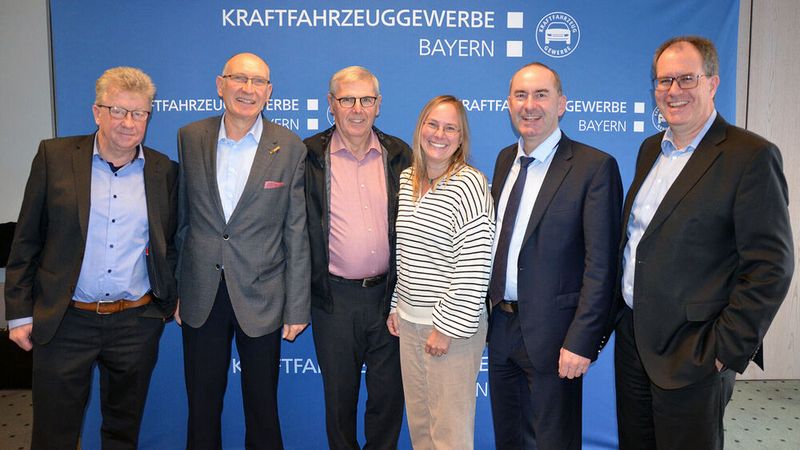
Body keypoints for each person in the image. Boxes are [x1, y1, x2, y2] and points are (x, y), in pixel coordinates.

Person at [613, 35, 794, 450]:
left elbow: (771, 266)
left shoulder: (750, 156)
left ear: (712, 83)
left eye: (686, 79)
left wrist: (723, 350)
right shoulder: (649, 151)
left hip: (694, 351)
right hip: (634, 342)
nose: (673, 91)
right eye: (663, 81)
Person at [4, 67, 178, 449]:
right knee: (54, 434)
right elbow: (26, 240)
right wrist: (18, 312)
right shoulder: (55, 156)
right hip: (66, 321)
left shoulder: (164, 170)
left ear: (149, 116)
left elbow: (173, 244)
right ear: (97, 111)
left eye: (139, 113)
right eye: (118, 111)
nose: (128, 123)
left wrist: (168, 302)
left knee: (122, 432)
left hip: (135, 322)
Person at [175, 52, 309, 449]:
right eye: (239, 79)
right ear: (221, 85)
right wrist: (179, 289)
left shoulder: (288, 147)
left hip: (262, 295)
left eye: (258, 83)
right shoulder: (190, 137)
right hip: (201, 294)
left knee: (262, 409)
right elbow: (182, 221)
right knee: (201, 408)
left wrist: (297, 306)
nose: (247, 90)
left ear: (269, 93)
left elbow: (296, 233)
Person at [487, 62, 622, 450]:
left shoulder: (593, 167)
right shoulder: (502, 161)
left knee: (552, 442)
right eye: (520, 95)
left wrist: (582, 340)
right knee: (508, 438)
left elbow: (602, 267)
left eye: (541, 95)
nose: (530, 105)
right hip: (501, 329)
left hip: (557, 335)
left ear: (561, 104)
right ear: (508, 104)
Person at [305, 66, 410, 450]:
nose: (357, 109)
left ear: (379, 105)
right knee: (339, 401)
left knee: (387, 400)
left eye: (366, 99)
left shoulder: (399, 154)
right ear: (331, 104)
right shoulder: (307, 156)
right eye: (347, 99)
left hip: (391, 297)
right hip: (334, 299)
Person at [387, 95, 494, 449]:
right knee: (421, 430)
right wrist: (395, 305)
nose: (439, 134)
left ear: (461, 138)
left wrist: (446, 328)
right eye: (432, 124)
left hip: (451, 331)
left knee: (449, 435)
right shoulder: (406, 180)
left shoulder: (470, 184)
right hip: (410, 323)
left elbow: (476, 264)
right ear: (420, 129)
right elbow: (405, 252)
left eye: (451, 128)